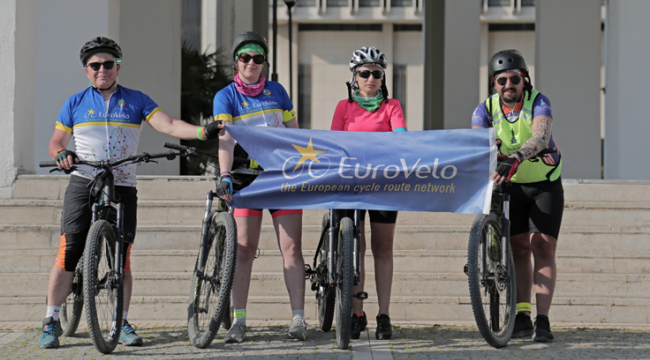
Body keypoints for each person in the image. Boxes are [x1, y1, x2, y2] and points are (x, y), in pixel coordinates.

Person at [39, 37, 223, 349]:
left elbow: (169, 125)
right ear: (86, 70)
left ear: (118, 67)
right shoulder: (75, 102)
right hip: (84, 180)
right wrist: (60, 153)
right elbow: (56, 141)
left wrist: (202, 131)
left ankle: (119, 321)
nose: (102, 70)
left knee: (121, 258)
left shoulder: (136, 100)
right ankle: (51, 319)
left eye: (108, 64)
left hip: (122, 184)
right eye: (95, 65)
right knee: (68, 250)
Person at [213, 31, 307, 343]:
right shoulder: (225, 96)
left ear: (264, 62)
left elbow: (295, 133)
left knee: (291, 248)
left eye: (257, 58)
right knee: (244, 250)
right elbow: (225, 138)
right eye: (245, 57)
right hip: (245, 177)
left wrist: (305, 165)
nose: (251, 63)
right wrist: (225, 173)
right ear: (236, 62)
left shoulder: (278, 91)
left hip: (281, 177)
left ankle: (298, 319)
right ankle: (238, 322)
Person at [471, 49, 564, 342]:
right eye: (501, 80)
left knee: (543, 247)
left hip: (543, 184)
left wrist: (515, 157)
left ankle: (543, 320)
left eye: (514, 78)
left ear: (524, 79)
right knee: (519, 249)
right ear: (494, 84)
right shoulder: (484, 109)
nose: (508, 85)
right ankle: (522, 316)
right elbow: (477, 142)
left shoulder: (539, 101)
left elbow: (540, 137)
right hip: (510, 187)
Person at [330, 46, 407, 340]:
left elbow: (400, 136)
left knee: (382, 248)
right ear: (354, 77)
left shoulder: (392, 106)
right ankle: (356, 312)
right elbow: (334, 143)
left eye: (376, 73)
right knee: (354, 248)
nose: (371, 79)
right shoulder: (343, 107)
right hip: (348, 183)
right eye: (364, 73)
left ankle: (384, 315)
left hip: (383, 184)